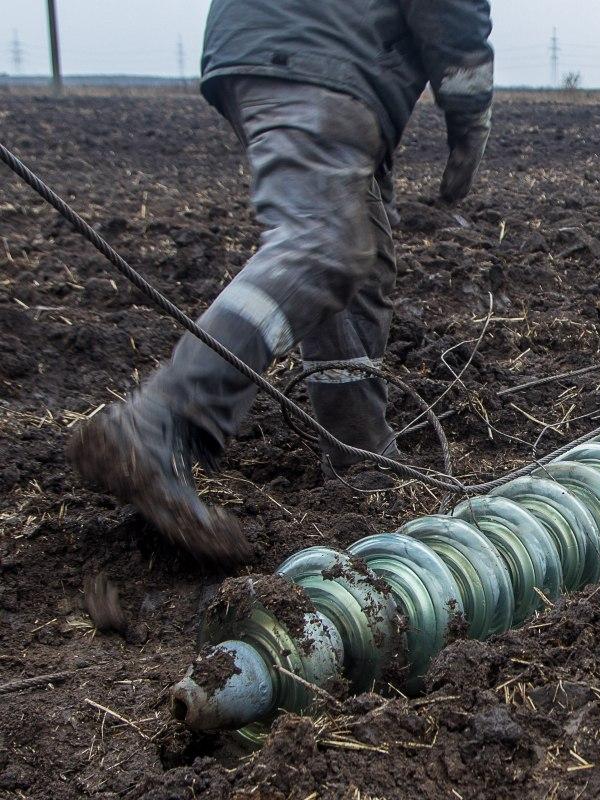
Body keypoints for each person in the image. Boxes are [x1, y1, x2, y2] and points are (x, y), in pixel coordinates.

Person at [68, 0, 495, 564]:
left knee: (355, 252)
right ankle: (161, 421)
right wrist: (470, 113)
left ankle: (361, 458)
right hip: (317, 51)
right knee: (322, 243)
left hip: (280, 44)